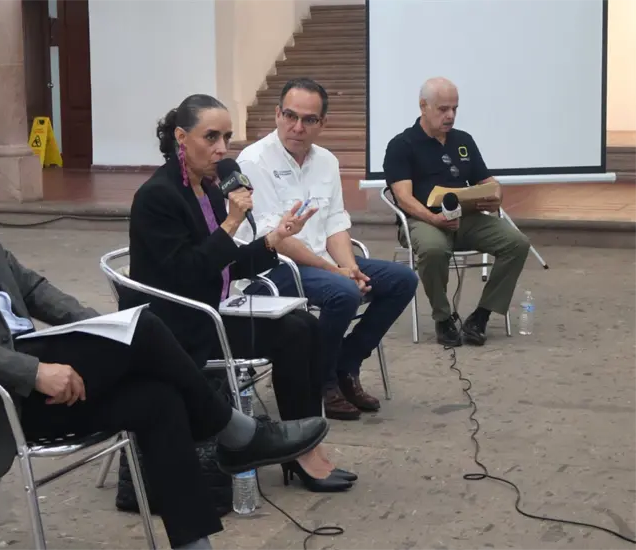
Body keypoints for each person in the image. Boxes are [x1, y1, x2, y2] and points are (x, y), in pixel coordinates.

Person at [0, 90, 330, 550]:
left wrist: (101, 331)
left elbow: (31, 288)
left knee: (158, 397)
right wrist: (35, 371)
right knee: (146, 328)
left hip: (26, 371)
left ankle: (196, 540)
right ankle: (236, 433)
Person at [125, 93, 355, 492]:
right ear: (181, 136)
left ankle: (302, 444)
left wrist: (275, 238)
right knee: (294, 333)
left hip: (211, 311)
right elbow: (188, 274)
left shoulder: (209, 189)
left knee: (302, 325)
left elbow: (230, 264)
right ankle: (297, 452)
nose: (220, 149)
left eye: (227, 138)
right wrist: (231, 223)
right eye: (210, 137)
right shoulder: (157, 197)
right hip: (177, 327)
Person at [234, 78, 418, 421]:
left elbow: (335, 223)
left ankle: (345, 364)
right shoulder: (253, 161)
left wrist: (350, 267)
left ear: (323, 123)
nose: (297, 127)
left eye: (309, 119)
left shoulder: (327, 162)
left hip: (324, 263)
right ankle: (321, 380)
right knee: (344, 293)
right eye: (290, 115)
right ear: (276, 114)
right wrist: (339, 273)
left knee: (402, 279)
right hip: (273, 268)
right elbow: (280, 238)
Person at [382, 77, 530, 347]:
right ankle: (443, 318)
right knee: (434, 249)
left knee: (517, 243)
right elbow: (403, 198)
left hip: (464, 217)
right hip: (422, 220)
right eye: (443, 109)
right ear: (423, 106)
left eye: (454, 109)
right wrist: (433, 218)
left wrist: (495, 196)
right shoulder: (402, 145)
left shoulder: (463, 141)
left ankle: (481, 316)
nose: (450, 115)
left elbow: (488, 182)